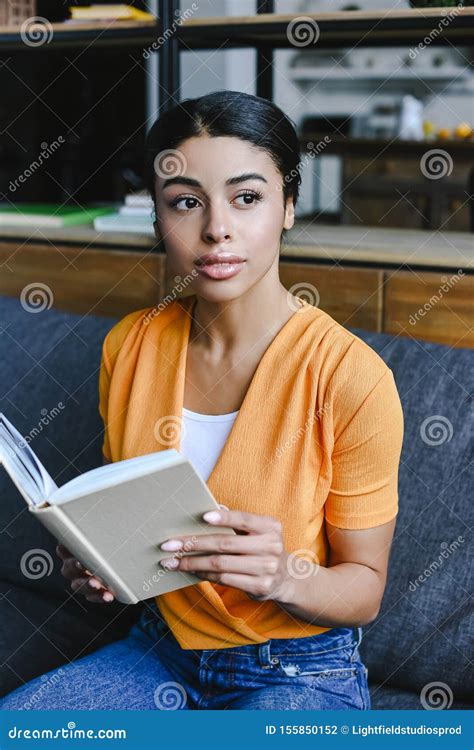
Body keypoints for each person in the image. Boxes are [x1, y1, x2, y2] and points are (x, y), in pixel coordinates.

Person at [0, 90, 404, 711]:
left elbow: (366, 590)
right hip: (157, 649)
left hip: (297, 669)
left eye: (247, 198)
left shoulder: (350, 377)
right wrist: (94, 564)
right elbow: (135, 524)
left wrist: (281, 575)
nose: (217, 229)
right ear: (159, 217)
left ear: (289, 206)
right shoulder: (129, 347)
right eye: (186, 203)